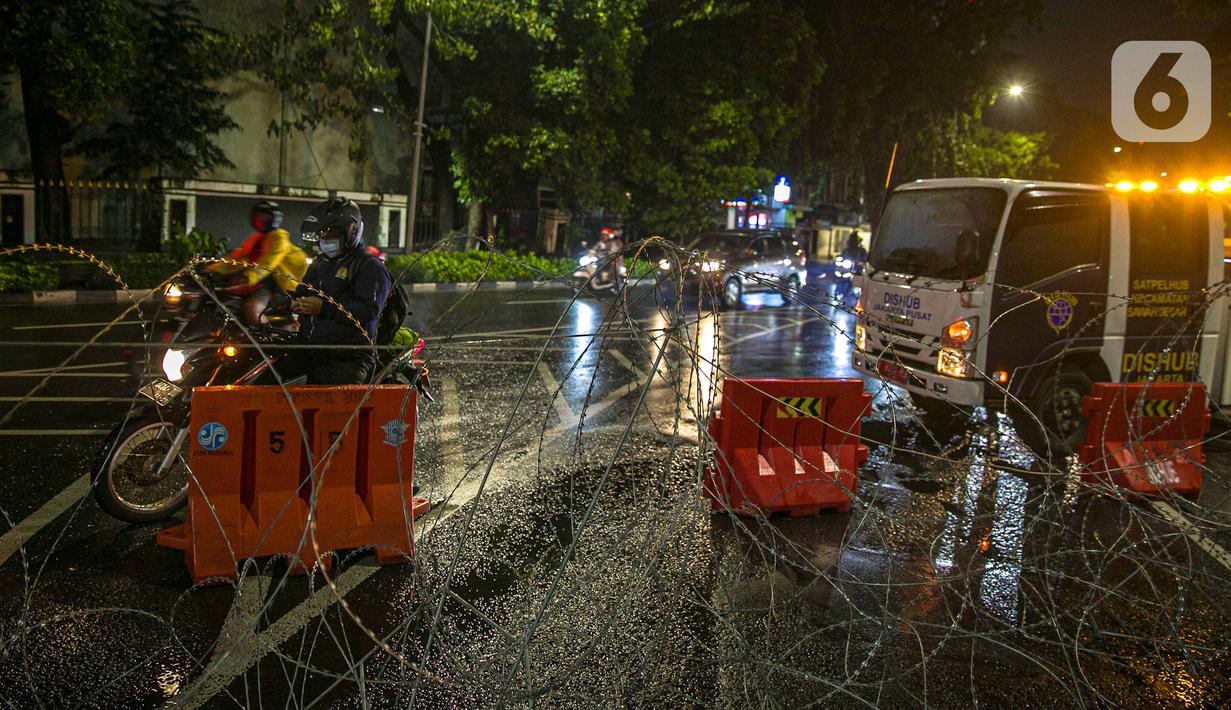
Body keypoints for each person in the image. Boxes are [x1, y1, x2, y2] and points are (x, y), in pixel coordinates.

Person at [287, 197, 392, 385]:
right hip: (310, 350)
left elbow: (369, 310)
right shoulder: (320, 264)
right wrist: (293, 302)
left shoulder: (369, 266)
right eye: (322, 236)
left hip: (349, 357)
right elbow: (302, 290)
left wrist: (323, 308)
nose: (325, 241)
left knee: (331, 403)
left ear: (352, 231)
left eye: (331, 235)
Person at [209, 201, 308, 324]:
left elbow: (267, 264)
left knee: (252, 308)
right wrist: (211, 269)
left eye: (265, 216)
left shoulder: (279, 238)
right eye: (258, 216)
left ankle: (265, 340)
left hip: (281, 287)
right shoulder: (256, 238)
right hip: (260, 284)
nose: (261, 219)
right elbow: (236, 259)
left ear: (275, 218)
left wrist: (247, 277)